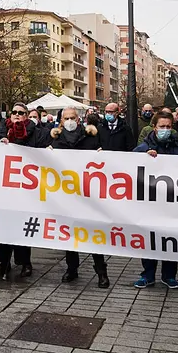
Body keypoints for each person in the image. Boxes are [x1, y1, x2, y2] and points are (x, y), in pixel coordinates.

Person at [49, 106, 109, 288]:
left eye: (72, 118)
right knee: (70, 234)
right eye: (66, 118)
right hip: (67, 197)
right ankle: (72, 269)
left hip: (88, 197)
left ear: (79, 119)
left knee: (92, 234)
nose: (69, 122)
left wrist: (102, 156)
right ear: (61, 121)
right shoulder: (57, 142)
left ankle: (101, 271)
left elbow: (104, 164)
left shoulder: (91, 139)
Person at [133, 111, 178, 289]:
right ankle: (147, 275)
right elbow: (129, 163)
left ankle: (169, 276)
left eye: (168, 127)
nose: (165, 130)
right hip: (150, 203)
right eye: (162, 127)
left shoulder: (177, 147)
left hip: (171, 203)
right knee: (149, 239)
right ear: (154, 127)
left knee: (171, 240)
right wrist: (144, 156)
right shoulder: (144, 147)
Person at [0, 102, 51, 280]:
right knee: (3, 226)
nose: (17, 115)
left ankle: (25, 262)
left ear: (27, 116)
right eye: (14, 112)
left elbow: (42, 154)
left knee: (23, 226)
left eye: (21, 113)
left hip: (26, 187)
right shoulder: (3, 130)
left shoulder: (37, 133)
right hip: (4, 188)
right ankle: (3, 262)